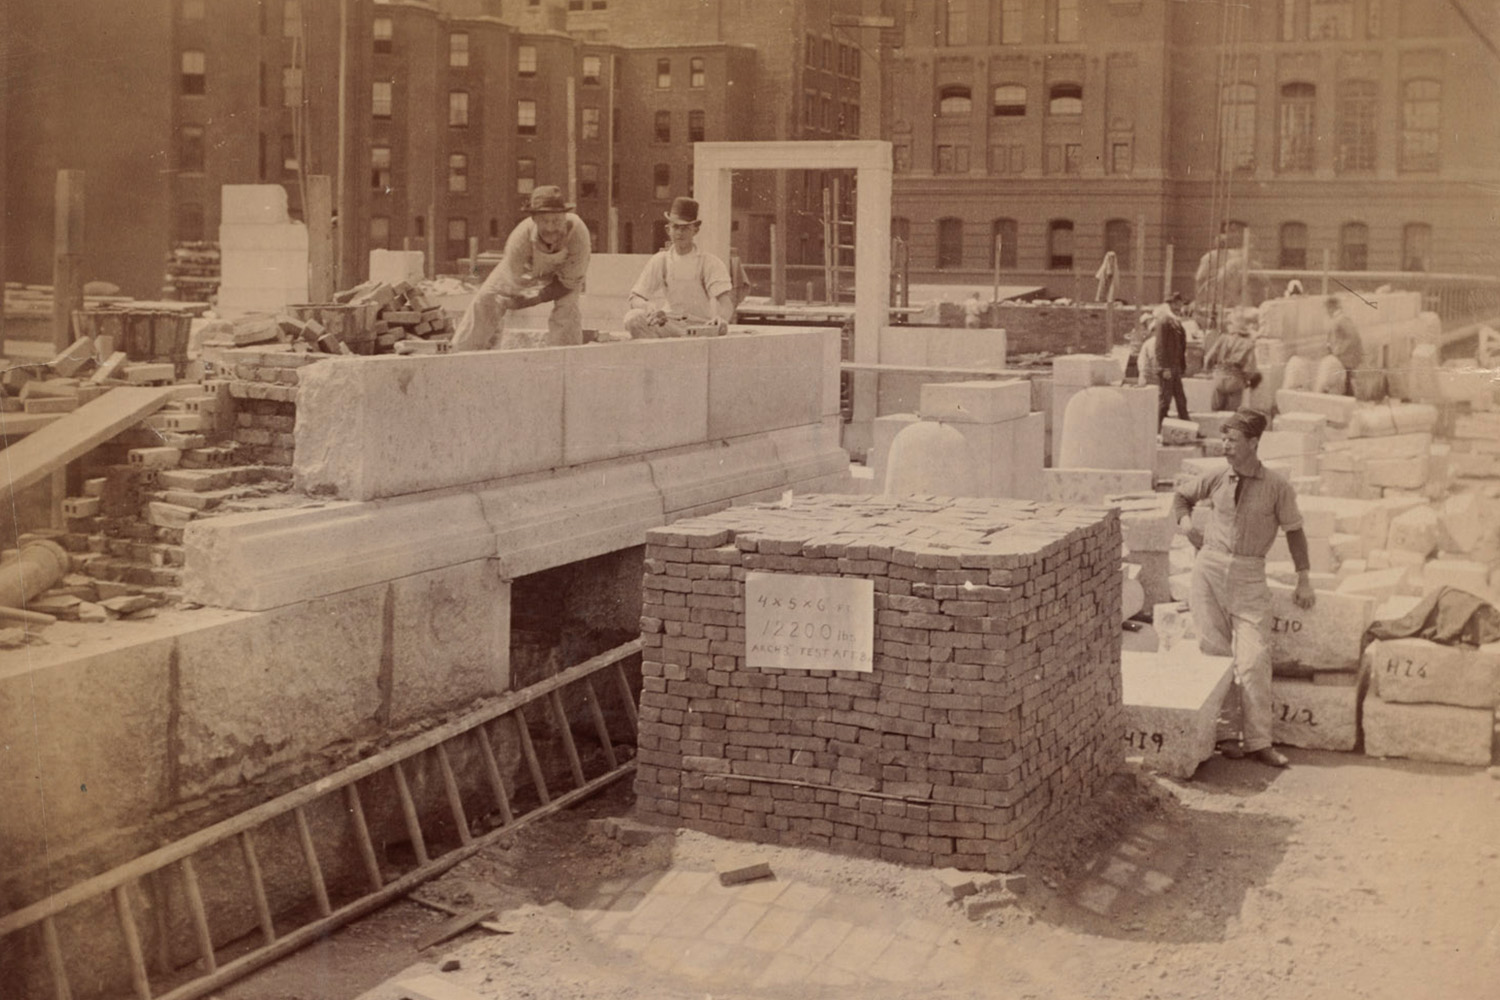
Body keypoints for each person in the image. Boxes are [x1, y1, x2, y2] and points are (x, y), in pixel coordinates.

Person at [1172, 409, 1317, 768]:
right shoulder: (1218, 476)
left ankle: (1258, 742)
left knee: (1253, 660)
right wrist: (1187, 523)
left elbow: (1295, 531)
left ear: (1253, 443)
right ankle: (1224, 736)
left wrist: (1304, 578)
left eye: (1233, 440)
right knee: (1214, 653)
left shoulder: (1277, 486)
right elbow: (1180, 497)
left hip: (1250, 576)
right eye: (1223, 439)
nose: (1225, 446)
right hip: (1208, 570)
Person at [451, 186, 591, 351]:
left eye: (556, 221)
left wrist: (535, 299)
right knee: (487, 298)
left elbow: (568, 283)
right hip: (528, 270)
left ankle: (564, 356)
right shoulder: (519, 239)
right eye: (545, 221)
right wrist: (515, 298)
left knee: (567, 306)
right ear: (534, 220)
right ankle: (462, 350)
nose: (551, 228)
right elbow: (513, 279)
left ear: (564, 217)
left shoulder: (578, 233)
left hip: (564, 275)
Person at [624, 197, 734, 338]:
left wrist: (722, 318)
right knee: (633, 318)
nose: (679, 233)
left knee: (718, 330)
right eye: (675, 227)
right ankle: (655, 357)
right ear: (668, 229)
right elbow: (635, 297)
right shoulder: (661, 260)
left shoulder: (709, 262)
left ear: (695, 230)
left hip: (699, 326)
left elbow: (725, 302)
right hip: (668, 324)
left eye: (685, 228)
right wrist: (648, 307)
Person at [1202, 318, 1259, 411]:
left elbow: (1208, 357)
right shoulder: (1248, 343)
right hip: (1235, 379)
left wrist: (1209, 371)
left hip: (1219, 376)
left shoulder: (1223, 338)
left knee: (1216, 410)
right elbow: (1250, 368)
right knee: (1231, 413)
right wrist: (1247, 380)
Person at [1152, 302, 1190, 428]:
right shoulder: (1167, 323)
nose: (1177, 308)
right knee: (1166, 400)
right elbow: (1160, 347)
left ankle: (1187, 427)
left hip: (1173, 367)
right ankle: (1157, 429)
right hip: (1169, 367)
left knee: (1180, 399)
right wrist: (1165, 368)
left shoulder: (1170, 323)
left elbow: (1176, 346)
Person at [1324, 296, 1362, 397]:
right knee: (1345, 383)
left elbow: (1352, 337)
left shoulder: (1342, 320)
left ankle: (1349, 405)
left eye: (1328, 308)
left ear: (1332, 307)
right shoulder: (1338, 319)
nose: (1327, 312)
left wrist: (1338, 351)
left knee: (1346, 382)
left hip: (1345, 358)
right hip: (1343, 358)